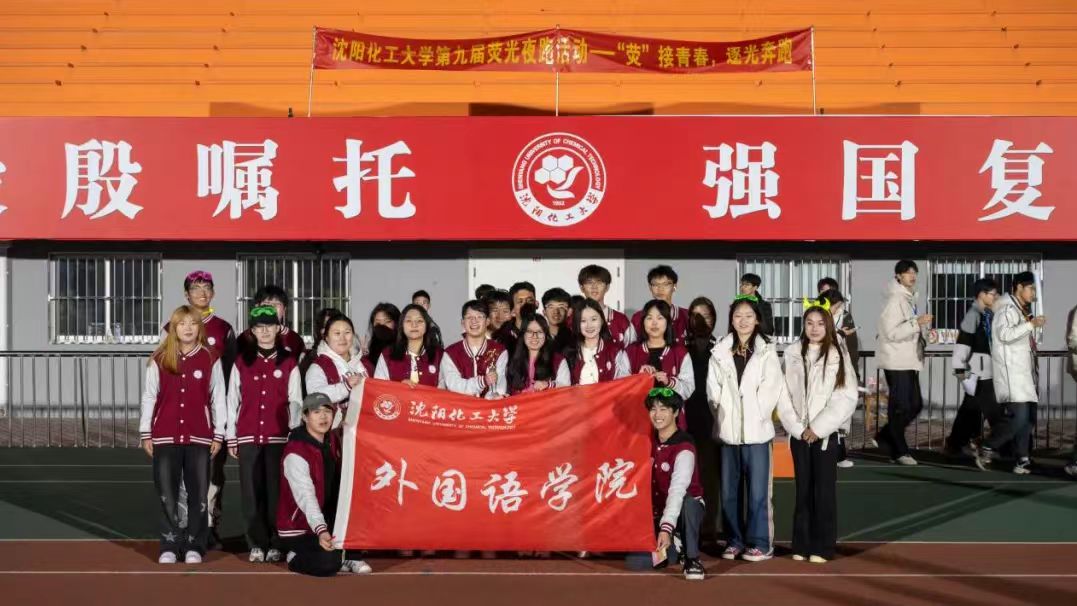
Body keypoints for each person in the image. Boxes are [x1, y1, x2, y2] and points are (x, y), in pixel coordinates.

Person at [140, 305, 226, 565]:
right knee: (167, 493)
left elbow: (218, 398)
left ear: (199, 328)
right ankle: (169, 544)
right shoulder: (159, 358)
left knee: (198, 495)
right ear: (173, 328)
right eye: (182, 324)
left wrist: (218, 433)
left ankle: (194, 545)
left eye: (193, 323)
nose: (188, 328)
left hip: (199, 436)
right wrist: (146, 432)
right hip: (164, 436)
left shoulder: (211, 358)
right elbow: (149, 396)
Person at [708, 295, 788, 562]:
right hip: (728, 434)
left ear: (757, 320)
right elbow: (713, 390)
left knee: (758, 494)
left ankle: (761, 543)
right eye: (737, 316)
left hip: (757, 434)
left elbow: (771, 388)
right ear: (731, 320)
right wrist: (724, 416)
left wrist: (756, 414)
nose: (742, 321)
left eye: (748, 316)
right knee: (729, 494)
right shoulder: (720, 350)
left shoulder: (766, 350)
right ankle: (734, 540)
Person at [777, 304, 857, 564]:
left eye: (820, 323)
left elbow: (845, 396)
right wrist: (798, 428)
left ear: (828, 326)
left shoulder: (838, 354)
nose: (814, 328)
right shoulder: (792, 353)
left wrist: (819, 428)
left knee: (823, 492)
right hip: (799, 435)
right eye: (809, 323)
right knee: (802, 490)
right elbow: (783, 395)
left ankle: (822, 546)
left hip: (825, 437)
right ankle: (801, 544)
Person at [225, 305, 302, 563]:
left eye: (270, 325)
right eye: (259, 327)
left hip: (279, 437)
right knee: (251, 493)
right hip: (248, 437)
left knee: (276, 493)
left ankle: (277, 542)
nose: (265, 331)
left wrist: (293, 434)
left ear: (278, 328)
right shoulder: (242, 361)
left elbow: (295, 401)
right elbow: (232, 400)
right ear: (252, 331)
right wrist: (231, 436)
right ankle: (256, 543)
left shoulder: (289, 361)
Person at [167, 270, 235, 548]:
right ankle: (181, 528)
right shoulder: (171, 327)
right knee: (181, 474)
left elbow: (231, 374)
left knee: (213, 474)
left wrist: (225, 417)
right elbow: (163, 369)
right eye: (196, 288)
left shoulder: (223, 328)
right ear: (186, 294)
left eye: (207, 287)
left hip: (213, 415)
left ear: (213, 293)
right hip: (181, 415)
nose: (202, 293)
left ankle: (208, 528)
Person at [277, 393, 372, 576]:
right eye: (316, 412)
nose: (323, 417)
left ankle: (349, 555)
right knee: (328, 564)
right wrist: (321, 529)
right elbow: (306, 497)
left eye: (327, 411)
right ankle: (294, 556)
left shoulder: (332, 440)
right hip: (301, 527)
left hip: (328, 521)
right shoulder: (296, 452)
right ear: (305, 417)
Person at [976, 272, 1046, 475]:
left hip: (1023, 373)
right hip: (1011, 373)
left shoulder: (1021, 309)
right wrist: (1030, 325)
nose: (1033, 293)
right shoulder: (1007, 309)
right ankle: (987, 446)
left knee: (1028, 419)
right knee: (1018, 417)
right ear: (1019, 287)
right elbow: (1005, 334)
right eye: (1031, 288)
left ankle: (1022, 459)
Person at [876, 260, 933, 466]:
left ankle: (886, 436)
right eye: (908, 273)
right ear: (898, 276)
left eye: (914, 272)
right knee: (902, 406)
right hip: (896, 360)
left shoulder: (908, 299)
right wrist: (916, 323)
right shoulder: (895, 300)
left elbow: (909, 328)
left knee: (915, 404)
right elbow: (890, 332)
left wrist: (924, 330)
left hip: (908, 359)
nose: (913, 276)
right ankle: (899, 450)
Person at [647, 388, 706, 581]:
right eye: (653, 409)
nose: (657, 415)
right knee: (641, 562)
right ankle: (675, 543)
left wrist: (666, 528)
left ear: (675, 413)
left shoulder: (684, 446)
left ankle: (692, 559)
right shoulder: (647, 441)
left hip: (682, 508)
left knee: (689, 503)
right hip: (658, 511)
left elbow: (677, 490)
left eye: (663, 409)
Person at [943, 279, 1000, 459]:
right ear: (982, 294)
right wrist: (962, 373)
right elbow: (963, 345)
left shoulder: (987, 315)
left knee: (970, 410)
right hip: (978, 373)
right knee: (993, 411)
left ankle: (956, 443)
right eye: (993, 294)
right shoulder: (973, 315)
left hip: (986, 371)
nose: (996, 297)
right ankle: (1001, 446)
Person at [684, 296, 722, 545]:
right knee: (685, 479)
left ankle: (709, 532)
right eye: (696, 316)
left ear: (714, 320)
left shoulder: (721, 350)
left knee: (710, 480)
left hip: (711, 423)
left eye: (706, 316)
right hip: (684, 423)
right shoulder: (679, 348)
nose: (700, 321)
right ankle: (685, 531)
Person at [624, 300, 695, 428]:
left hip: (672, 425)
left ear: (668, 322)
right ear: (643, 322)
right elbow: (620, 387)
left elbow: (688, 388)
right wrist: (638, 378)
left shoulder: (680, 353)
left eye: (660, 318)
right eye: (649, 318)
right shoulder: (630, 352)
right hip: (638, 423)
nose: (654, 323)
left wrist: (670, 382)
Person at [818, 290, 859, 469]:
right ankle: (832, 456)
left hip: (838, 372)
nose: (839, 309)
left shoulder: (834, 318)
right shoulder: (820, 319)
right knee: (830, 416)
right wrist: (840, 334)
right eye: (837, 306)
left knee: (838, 415)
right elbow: (824, 341)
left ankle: (838, 455)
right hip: (827, 375)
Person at [303, 312, 366, 428]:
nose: (342, 338)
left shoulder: (365, 363)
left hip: (364, 429)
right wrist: (346, 386)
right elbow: (315, 397)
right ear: (326, 337)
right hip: (333, 432)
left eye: (347, 332)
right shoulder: (318, 366)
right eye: (337, 333)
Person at [441, 300, 508, 399]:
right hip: (460, 407)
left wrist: (493, 397)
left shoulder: (499, 351)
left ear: (487, 321)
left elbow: (499, 387)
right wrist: (482, 382)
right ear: (462, 322)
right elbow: (454, 386)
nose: (474, 321)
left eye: (479, 317)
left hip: (489, 407)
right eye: (469, 317)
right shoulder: (450, 353)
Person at [558, 299, 630, 385]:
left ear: (602, 321)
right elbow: (561, 386)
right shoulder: (569, 353)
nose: (589, 325)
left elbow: (624, 384)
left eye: (594, 319)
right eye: (583, 321)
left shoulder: (615, 351)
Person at [374, 303, 445, 388]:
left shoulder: (440, 355)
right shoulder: (387, 355)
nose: (414, 325)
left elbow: (446, 391)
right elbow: (378, 388)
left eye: (419, 321)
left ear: (427, 325)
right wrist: (399, 388)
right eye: (408, 321)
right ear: (401, 326)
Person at [506, 309, 569, 395]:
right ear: (523, 334)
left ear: (546, 335)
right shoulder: (511, 360)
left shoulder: (558, 361)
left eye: (539, 332)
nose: (534, 336)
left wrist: (548, 385)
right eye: (529, 331)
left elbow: (567, 390)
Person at [578, 264, 635, 347]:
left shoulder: (621, 320)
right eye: (589, 282)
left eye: (599, 282)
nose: (594, 287)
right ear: (582, 288)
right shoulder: (572, 320)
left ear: (607, 287)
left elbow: (632, 351)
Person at [632, 265, 690, 344]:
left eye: (665, 284)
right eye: (655, 284)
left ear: (674, 286)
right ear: (650, 287)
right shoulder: (638, 318)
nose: (660, 289)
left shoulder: (687, 316)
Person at [248, 284, 305, 356]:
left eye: (277, 304)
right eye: (267, 303)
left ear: (284, 310)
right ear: (257, 307)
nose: (272, 308)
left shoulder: (294, 339)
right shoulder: (244, 338)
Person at [494, 282, 537, 352]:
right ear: (512, 311)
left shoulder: (545, 335)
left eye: (530, 300)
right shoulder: (501, 340)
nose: (525, 305)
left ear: (536, 304)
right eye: (520, 301)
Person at [361, 303, 400, 375]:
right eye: (378, 322)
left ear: (397, 323)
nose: (382, 325)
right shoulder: (367, 351)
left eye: (387, 321)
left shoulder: (405, 350)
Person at [542, 287, 574, 355]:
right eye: (551, 307)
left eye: (561, 307)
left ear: (569, 312)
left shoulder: (576, 340)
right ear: (544, 312)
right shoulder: (538, 339)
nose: (556, 311)